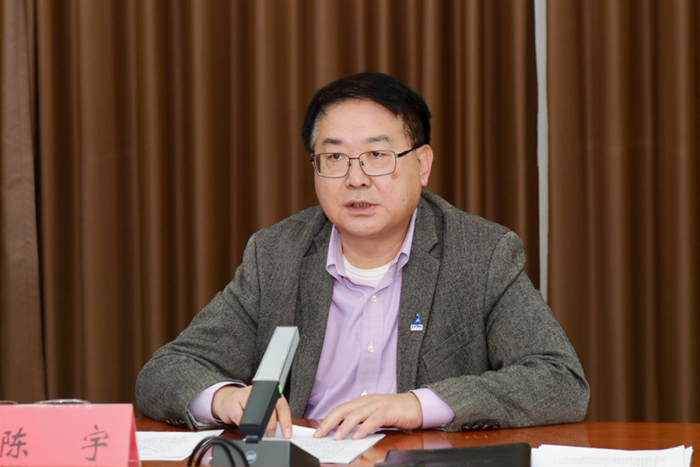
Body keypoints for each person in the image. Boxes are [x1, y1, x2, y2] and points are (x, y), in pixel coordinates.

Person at [135, 72, 589, 441]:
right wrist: (227, 398)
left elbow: (559, 381)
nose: (356, 178)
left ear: (422, 165)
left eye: (377, 155)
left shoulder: (480, 253)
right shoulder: (276, 255)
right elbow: (165, 372)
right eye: (334, 158)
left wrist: (417, 405)